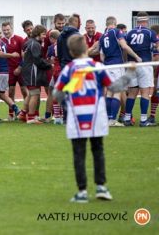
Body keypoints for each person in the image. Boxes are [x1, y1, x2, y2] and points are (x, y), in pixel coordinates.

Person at [53, 35, 135, 203]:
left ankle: (82, 191)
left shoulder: (69, 68)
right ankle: (101, 187)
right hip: (96, 115)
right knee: (98, 150)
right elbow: (115, 87)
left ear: (70, 51)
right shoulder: (97, 66)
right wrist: (130, 72)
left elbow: (56, 93)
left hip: (76, 116)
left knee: (79, 153)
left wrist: (67, 103)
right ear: (86, 49)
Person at [123, 12, 159, 127]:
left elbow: (125, 49)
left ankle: (127, 118)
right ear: (147, 20)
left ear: (137, 20)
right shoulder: (150, 33)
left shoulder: (129, 33)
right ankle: (143, 120)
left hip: (132, 64)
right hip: (144, 64)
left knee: (132, 92)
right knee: (145, 92)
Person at [99, 16, 140, 127]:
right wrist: (136, 57)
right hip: (117, 65)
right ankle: (113, 120)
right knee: (117, 92)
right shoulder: (116, 32)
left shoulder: (102, 37)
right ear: (115, 23)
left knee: (109, 92)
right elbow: (124, 46)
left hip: (107, 66)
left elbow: (102, 55)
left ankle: (108, 119)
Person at [20, 25, 52, 124]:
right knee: (35, 94)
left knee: (31, 94)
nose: (44, 36)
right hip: (32, 70)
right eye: (43, 34)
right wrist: (49, 65)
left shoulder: (30, 42)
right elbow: (37, 59)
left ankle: (22, 113)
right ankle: (31, 118)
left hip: (28, 69)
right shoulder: (35, 44)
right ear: (38, 34)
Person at [2, 21, 27, 121]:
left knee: (24, 90)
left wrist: (20, 67)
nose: (6, 32)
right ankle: (11, 114)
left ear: (11, 29)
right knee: (11, 92)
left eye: (8, 30)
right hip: (9, 70)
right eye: (4, 30)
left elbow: (24, 55)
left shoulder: (19, 39)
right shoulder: (1, 41)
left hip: (21, 69)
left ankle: (26, 112)